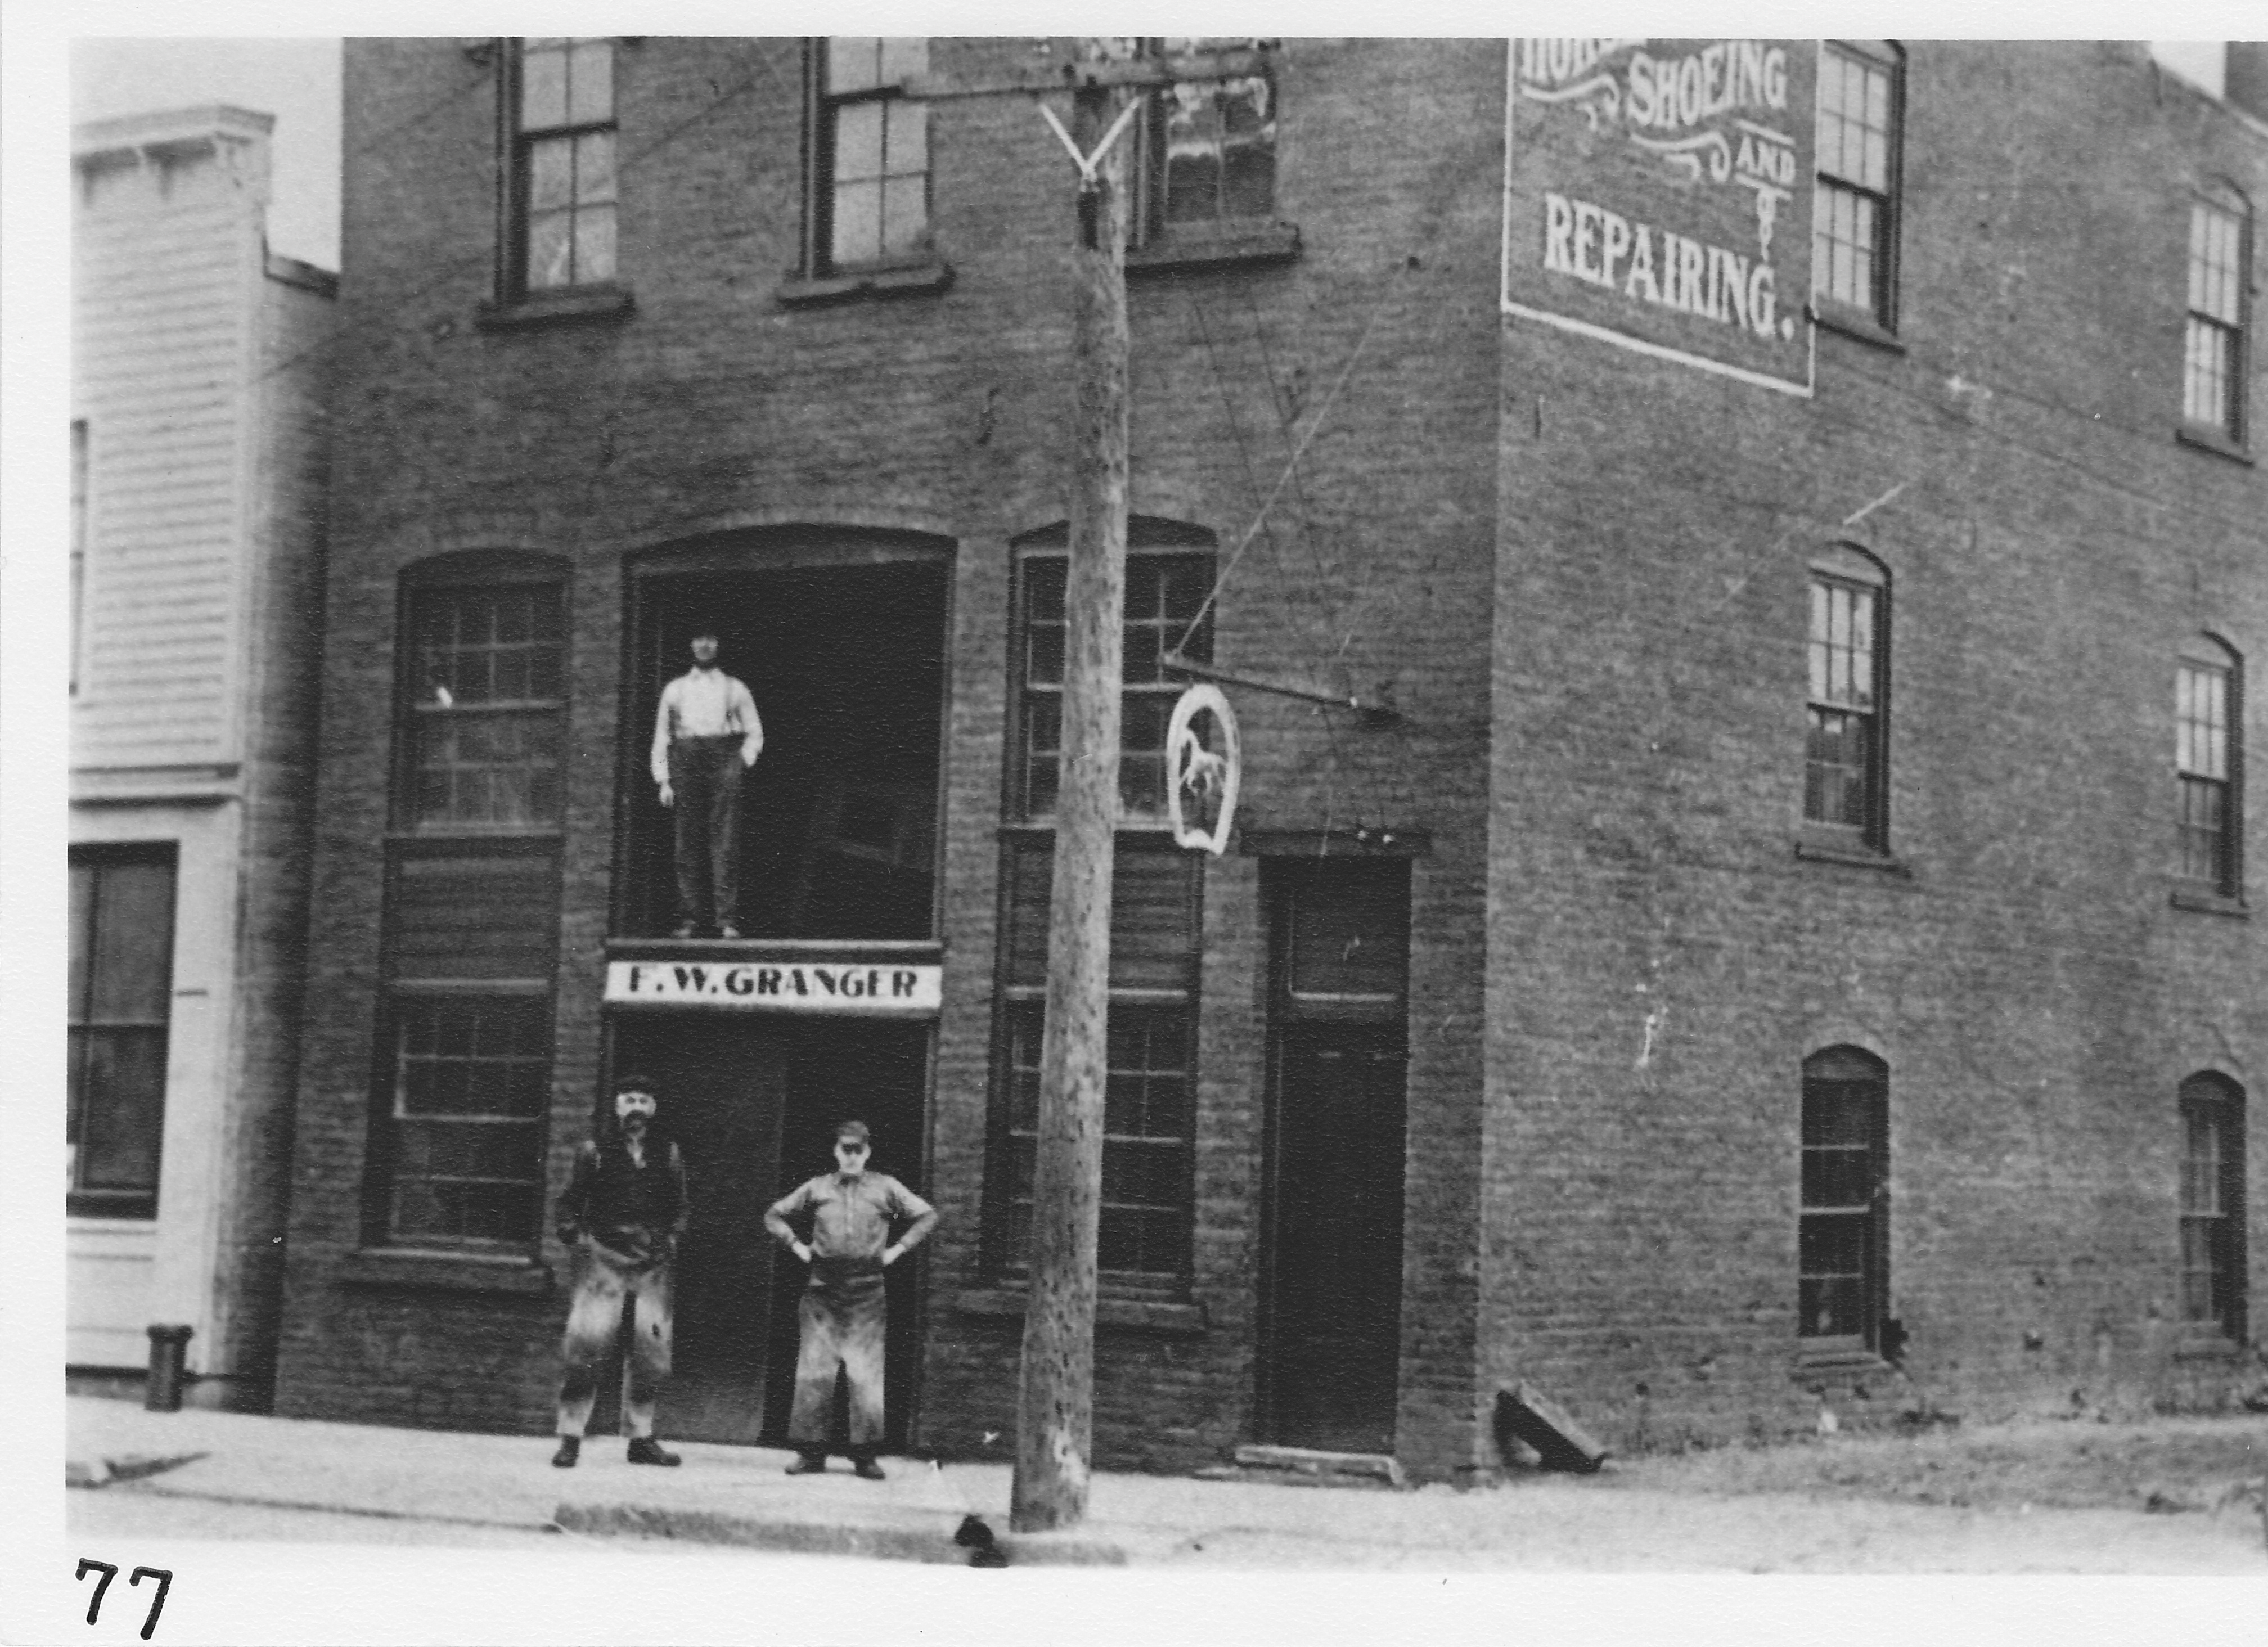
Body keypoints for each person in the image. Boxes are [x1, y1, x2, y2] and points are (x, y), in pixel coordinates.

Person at [763, 1120, 937, 1479]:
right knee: (815, 1368)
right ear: (836, 1151)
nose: (852, 1156)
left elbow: (926, 1215)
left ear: (868, 1151)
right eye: (846, 1149)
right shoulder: (817, 1187)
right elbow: (775, 1215)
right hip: (822, 1287)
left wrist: (897, 1250)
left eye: (858, 1150)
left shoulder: (886, 1187)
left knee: (865, 1372)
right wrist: (796, 1246)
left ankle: (865, 1455)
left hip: (867, 1288)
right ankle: (811, 1453)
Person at [550, 1075, 689, 1468]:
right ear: (617, 1107)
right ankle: (571, 1437)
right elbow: (569, 1204)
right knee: (586, 1348)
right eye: (629, 1100)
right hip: (604, 1261)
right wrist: (579, 1241)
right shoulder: (594, 1152)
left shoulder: (669, 1154)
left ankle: (641, 1438)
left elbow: (681, 1207)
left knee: (650, 1355)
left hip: (652, 1265)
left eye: (644, 1100)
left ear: (653, 1109)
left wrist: (671, 1240)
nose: (636, 1108)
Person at [651, 629, 763, 938]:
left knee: (725, 838)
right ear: (690, 644)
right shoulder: (676, 690)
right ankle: (689, 919)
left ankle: (726, 921)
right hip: (686, 760)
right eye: (698, 639)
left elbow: (755, 732)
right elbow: (663, 736)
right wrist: (663, 780)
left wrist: (741, 763)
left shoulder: (735, 688)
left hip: (724, 758)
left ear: (720, 645)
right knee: (687, 840)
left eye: (711, 639)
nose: (704, 645)